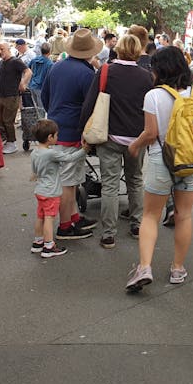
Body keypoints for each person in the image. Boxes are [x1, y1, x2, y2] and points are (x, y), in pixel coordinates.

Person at [126, 47, 193, 291]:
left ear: (159, 69)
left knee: (150, 215)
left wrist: (135, 145)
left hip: (163, 159)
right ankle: (178, 269)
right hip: (191, 161)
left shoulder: (154, 96)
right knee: (184, 215)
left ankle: (144, 267)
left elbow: (151, 134)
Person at [80, 35, 153, 249]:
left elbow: (90, 103)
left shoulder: (105, 71)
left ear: (118, 50)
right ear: (138, 51)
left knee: (109, 185)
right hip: (137, 139)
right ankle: (137, 224)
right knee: (135, 180)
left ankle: (109, 234)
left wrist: (83, 131)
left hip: (109, 137)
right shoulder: (146, 76)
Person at [41, 28, 102, 240]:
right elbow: (91, 107)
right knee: (68, 182)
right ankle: (65, 226)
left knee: (73, 179)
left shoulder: (57, 67)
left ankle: (74, 217)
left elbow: (45, 96)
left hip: (57, 127)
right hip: (73, 132)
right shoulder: (86, 74)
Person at [30, 119, 90, 258]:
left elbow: (34, 170)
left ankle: (38, 242)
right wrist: (84, 150)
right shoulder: (51, 153)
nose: (58, 138)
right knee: (50, 218)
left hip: (40, 190)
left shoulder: (35, 152)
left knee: (40, 217)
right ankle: (49, 245)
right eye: (56, 135)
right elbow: (69, 158)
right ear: (50, 137)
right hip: (51, 192)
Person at [0, 42, 32, 154]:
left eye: (2, 49)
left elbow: (28, 71)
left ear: (8, 49)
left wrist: (23, 83)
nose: (0, 51)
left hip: (12, 95)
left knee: (8, 120)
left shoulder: (15, 61)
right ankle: (7, 141)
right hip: (2, 95)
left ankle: (12, 143)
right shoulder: (1, 63)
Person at [28, 43, 54, 110]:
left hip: (32, 86)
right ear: (50, 51)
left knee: (36, 108)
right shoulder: (50, 63)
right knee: (42, 109)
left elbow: (28, 70)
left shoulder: (34, 60)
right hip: (42, 88)